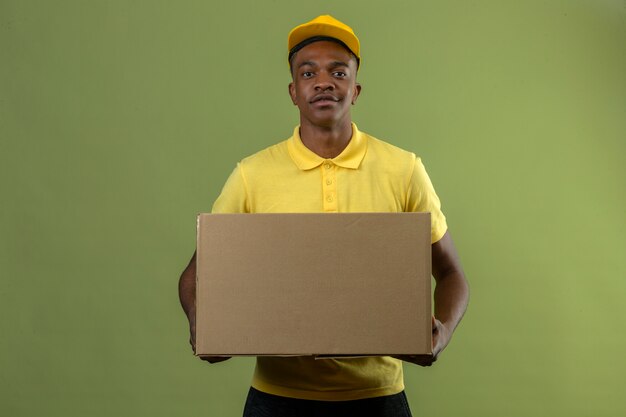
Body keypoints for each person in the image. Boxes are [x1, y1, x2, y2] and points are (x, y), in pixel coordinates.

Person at [178, 14, 469, 417]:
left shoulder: (403, 169)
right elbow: (197, 273)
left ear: (356, 89)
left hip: (377, 397)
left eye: (338, 71)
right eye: (308, 72)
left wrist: (441, 334)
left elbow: (453, 274)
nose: (324, 81)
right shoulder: (253, 174)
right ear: (294, 91)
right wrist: (204, 325)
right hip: (276, 398)